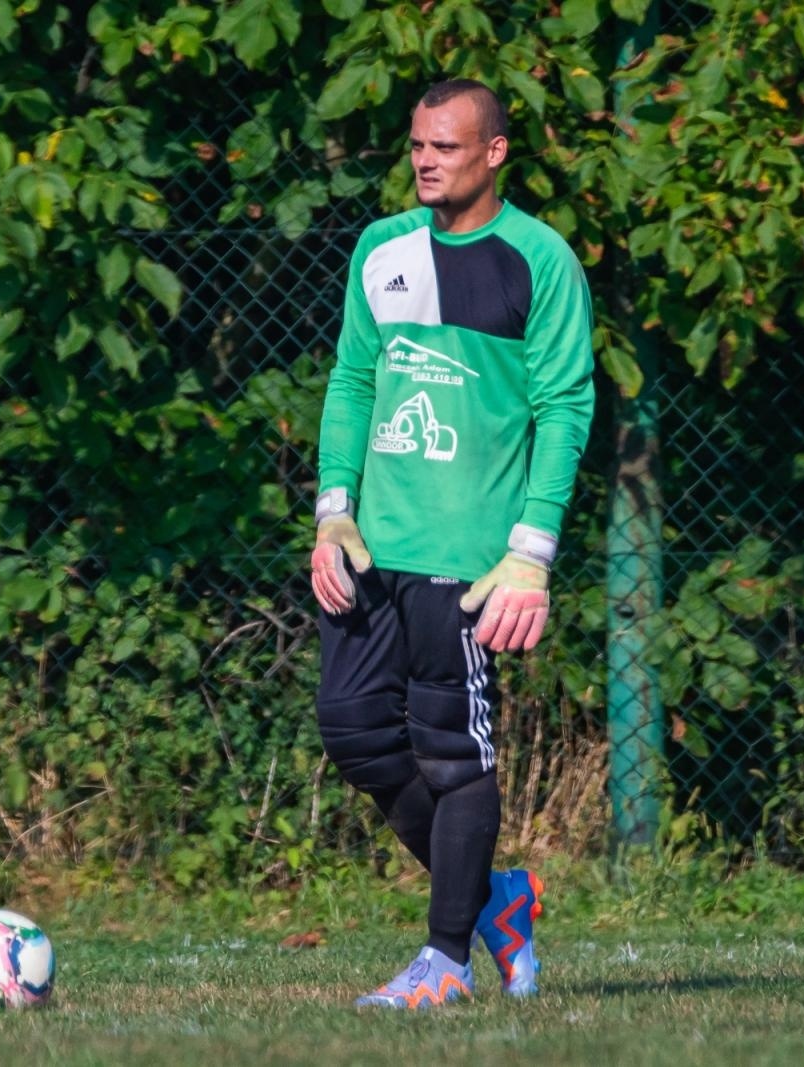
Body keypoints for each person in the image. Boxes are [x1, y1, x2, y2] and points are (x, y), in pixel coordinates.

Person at [310, 78, 595, 1009]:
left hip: (468, 560)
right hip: (371, 551)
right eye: (417, 145)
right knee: (352, 729)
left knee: (451, 753)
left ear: (494, 152)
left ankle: (445, 960)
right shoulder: (381, 248)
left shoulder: (539, 260)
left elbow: (565, 407)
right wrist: (333, 509)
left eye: (447, 146)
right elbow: (353, 380)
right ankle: (494, 900)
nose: (426, 161)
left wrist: (531, 555)